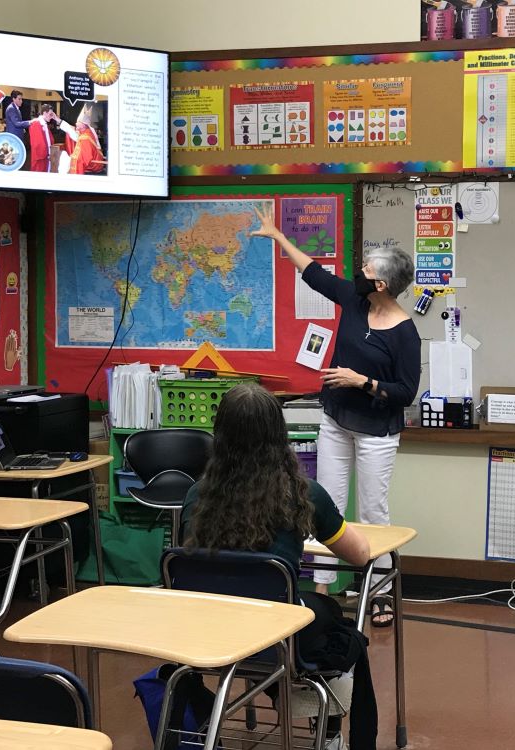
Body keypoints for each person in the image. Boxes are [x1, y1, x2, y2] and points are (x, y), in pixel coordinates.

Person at [250, 204, 421, 627]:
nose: (358, 271)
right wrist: (277, 235)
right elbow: (314, 273)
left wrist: (361, 381)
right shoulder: (354, 299)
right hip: (336, 421)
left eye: (366, 268)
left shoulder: (404, 332)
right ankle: (324, 588)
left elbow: (406, 392)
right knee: (323, 502)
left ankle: (378, 591)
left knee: (374, 512)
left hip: (377, 432)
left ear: (381, 283)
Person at [182, 382, 375, 750]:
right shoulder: (301, 492)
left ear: (219, 434)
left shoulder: (197, 494)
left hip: (208, 632)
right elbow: (360, 555)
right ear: (278, 434)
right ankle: (332, 734)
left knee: (301, 606)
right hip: (276, 635)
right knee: (339, 627)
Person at [27, 104, 55, 172]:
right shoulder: (36, 123)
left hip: (46, 157)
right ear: (45, 113)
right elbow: (38, 144)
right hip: (40, 158)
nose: (51, 117)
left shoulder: (43, 123)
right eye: (50, 114)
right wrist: (48, 154)